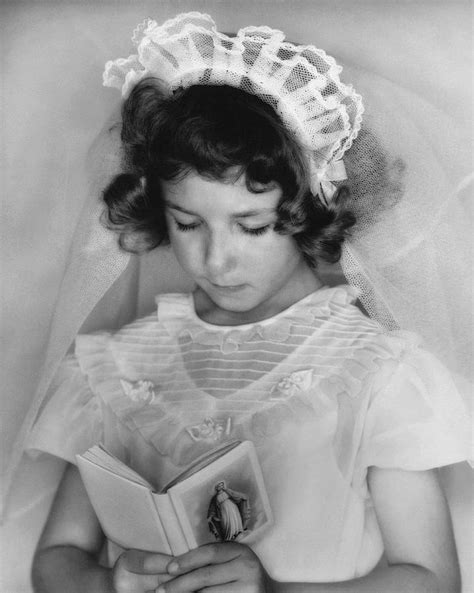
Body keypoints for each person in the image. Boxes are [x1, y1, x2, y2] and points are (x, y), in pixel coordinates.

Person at [23, 12, 470, 593]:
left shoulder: (374, 371)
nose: (215, 260)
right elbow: (56, 556)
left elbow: (432, 578)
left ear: (308, 212)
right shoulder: (118, 365)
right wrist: (112, 584)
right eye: (187, 223)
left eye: (251, 227)